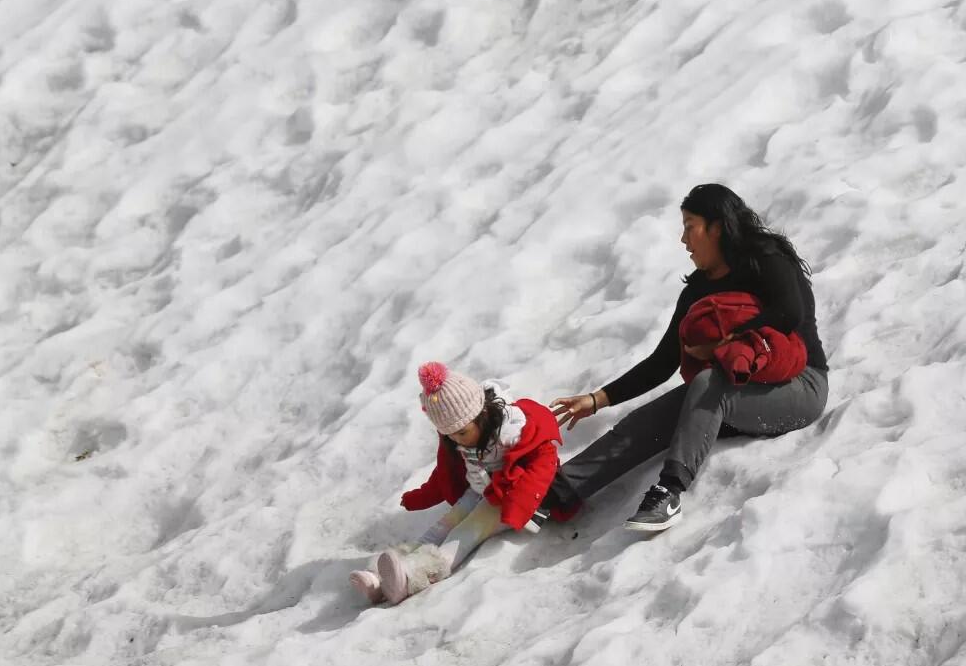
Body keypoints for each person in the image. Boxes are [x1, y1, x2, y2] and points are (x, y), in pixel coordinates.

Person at [546, 183, 829, 532]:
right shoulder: (698, 291)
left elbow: (789, 313)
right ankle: (556, 492)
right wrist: (596, 399)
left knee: (708, 382)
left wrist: (721, 345)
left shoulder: (766, 259)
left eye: (689, 225)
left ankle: (669, 492)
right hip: (735, 389)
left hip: (800, 386)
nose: (683, 240)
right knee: (645, 421)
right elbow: (663, 361)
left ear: (717, 226)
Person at [350, 361, 564, 605]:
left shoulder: (513, 431)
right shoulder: (458, 435)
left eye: (461, 432)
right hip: (480, 490)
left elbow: (543, 462)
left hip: (507, 496)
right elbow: (445, 471)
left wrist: (518, 506)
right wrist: (423, 495)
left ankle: (413, 577)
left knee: (464, 533)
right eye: (450, 435)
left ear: (482, 415)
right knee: (442, 527)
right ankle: (382, 578)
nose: (456, 439)